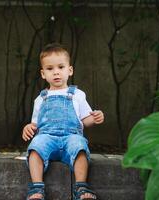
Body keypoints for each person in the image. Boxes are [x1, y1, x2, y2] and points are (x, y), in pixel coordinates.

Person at [22, 43, 105, 200]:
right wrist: (28, 127)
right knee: (34, 148)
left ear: (70, 70)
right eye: (50, 69)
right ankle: (37, 188)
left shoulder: (77, 94)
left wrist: (95, 118)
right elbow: (35, 125)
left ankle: (80, 187)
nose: (56, 73)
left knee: (80, 146)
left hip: (70, 137)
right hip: (47, 137)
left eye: (61, 67)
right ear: (43, 73)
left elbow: (85, 120)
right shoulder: (40, 98)